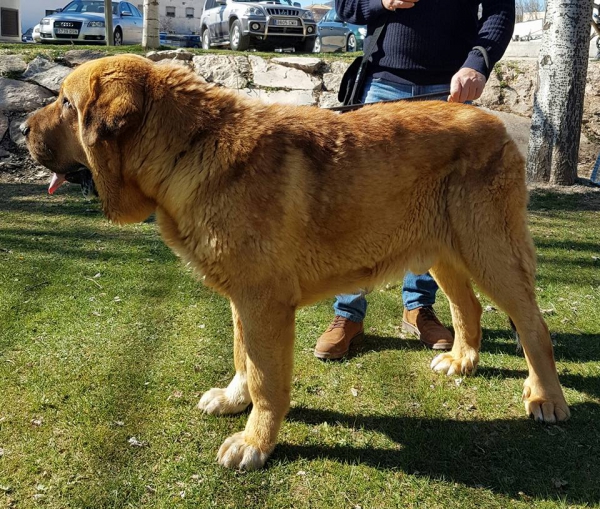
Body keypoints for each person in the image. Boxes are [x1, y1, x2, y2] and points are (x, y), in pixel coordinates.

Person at [314, 0, 515, 360]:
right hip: (381, 89)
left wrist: (478, 62)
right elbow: (345, 5)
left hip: (450, 94)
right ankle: (347, 315)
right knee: (361, 210)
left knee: (438, 214)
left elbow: (500, 11)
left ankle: (419, 309)